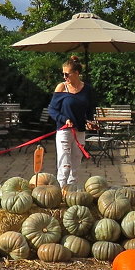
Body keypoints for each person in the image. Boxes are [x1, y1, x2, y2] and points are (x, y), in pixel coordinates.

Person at [46, 56, 96, 189]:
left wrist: (89, 121)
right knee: (65, 164)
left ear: (77, 73)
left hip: (79, 131)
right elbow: (52, 110)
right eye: (63, 74)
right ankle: (61, 191)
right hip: (64, 130)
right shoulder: (62, 88)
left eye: (67, 74)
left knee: (76, 163)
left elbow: (90, 109)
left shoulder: (87, 89)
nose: (64, 77)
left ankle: (72, 192)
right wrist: (64, 119)